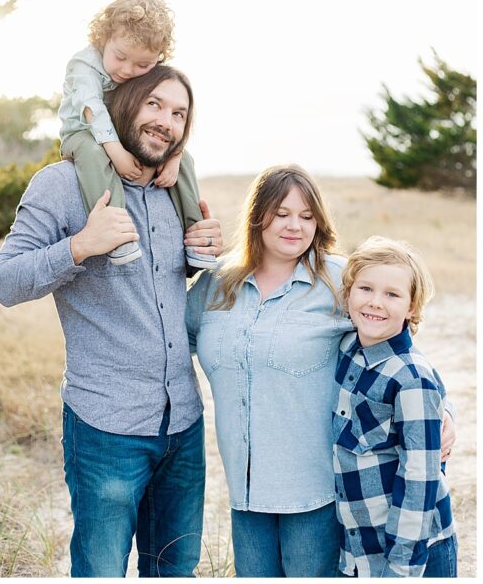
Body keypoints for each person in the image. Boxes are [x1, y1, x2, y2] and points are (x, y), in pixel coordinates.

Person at [0, 65, 224, 577]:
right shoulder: (61, 183)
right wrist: (80, 246)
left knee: (174, 571)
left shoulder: (174, 185)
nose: (166, 121)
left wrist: (204, 251)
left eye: (179, 113)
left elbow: (169, 282)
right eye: (155, 105)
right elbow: (5, 282)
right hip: (105, 427)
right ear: (123, 104)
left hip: (183, 421)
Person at [185, 166, 456, 577]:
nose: (295, 225)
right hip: (245, 492)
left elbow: (398, 347)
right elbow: (172, 344)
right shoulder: (219, 282)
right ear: (258, 215)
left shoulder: (338, 279)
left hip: (316, 492)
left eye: (307, 215)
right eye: (282, 212)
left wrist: (444, 411)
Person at [58, 0, 213, 270]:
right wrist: (116, 151)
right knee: (94, 153)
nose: (128, 70)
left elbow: (175, 111)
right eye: (120, 57)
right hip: (81, 134)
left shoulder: (138, 69)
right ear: (104, 38)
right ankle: (118, 234)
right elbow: (92, 109)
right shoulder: (83, 65)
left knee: (185, 157)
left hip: (120, 133)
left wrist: (175, 157)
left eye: (143, 65)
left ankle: (196, 237)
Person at [333, 236, 457, 577]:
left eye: (392, 294)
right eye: (366, 289)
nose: (375, 303)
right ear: (348, 294)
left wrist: (401, 567)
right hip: (359, 548)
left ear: (412, 307)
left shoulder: (412, 378)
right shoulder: (347, 349)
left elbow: (420, 479)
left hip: (412, 556)